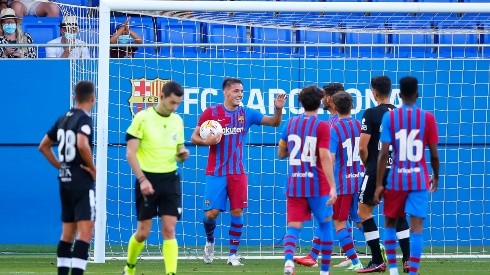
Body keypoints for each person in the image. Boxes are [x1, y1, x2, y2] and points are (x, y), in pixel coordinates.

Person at [190, 77, 287, 266]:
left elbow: (274, 122)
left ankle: (232, 255)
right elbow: (193, 137)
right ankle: (210, 241)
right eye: (236, 91)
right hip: (216, 171)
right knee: (211, 213)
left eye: (242, 91)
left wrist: (278, 108)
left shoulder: (247, 113)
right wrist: (205, 142)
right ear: (226, 92)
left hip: (237, 172)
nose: (240, 94)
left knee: (237, 210)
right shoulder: (211, 112)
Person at [122, 81, 190, 275]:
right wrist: (142, 180)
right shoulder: (142, 118)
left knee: (169, 229)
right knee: (143, 233)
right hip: (147, 179)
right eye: (172, 102)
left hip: (170, 179)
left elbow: (178, 150)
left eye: (178, 104)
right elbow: (130, 153)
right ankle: (130, 267)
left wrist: (182, 154)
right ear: (161, 96)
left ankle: (171, 273)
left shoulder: (178, 120)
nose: (174, 107)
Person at [374, 76, 439, 275]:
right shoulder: (427, 118)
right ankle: (412, 272)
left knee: (390, 222)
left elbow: (384, 153)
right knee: (416, 226)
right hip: (419, 179)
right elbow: (434, 154)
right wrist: (436, 176)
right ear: (417, 95)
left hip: (396, 179)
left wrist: (378, 184)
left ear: (399, 95)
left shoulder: (390, 117)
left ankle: (393, 270)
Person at [295, 82, 356, 268]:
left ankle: (357, 257)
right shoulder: (340, 121)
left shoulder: (336, 124)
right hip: (350, 177)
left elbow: (330, 154)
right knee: (354, 218)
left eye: (324, 96)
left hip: (339, 179)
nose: (322, 100)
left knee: (333, 218)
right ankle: (316, 255)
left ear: (329, 99)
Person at [38, 81, 96, 275]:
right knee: (86, 233)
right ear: (92, 99)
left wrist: (61, 166)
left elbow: (43, 146)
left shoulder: (63, 118)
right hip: (81, 180)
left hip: (64, 180)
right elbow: (81, 144)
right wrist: (92, 168)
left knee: (67, 234)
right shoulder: (84, 119)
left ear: (74, 96)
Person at [278, 85, 337, 275]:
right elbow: (325, 156)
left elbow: (281, 153)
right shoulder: (322, 126)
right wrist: (333, 186)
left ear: (301, 103)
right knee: (325, 224)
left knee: (294, 227)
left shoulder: (290, 123)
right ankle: (324, 271)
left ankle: (288, 262)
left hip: (295, 184)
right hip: (317, 184)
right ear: (320, 103)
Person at [357, 76, 410, 273]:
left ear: (374, 92)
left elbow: (362, 147)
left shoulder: (370, 113)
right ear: (391, 91)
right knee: (399, 213)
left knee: (363, 211)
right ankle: (407, 259)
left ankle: (377, 260)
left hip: (376, 170)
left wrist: (368, 164)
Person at [329, 91, 364, 271]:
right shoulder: (359, 124)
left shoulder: (334, 129)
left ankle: (356, 261)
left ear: (334, 107)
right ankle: (378, 246)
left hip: (342, 183)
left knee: (339, 222)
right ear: (351, 106)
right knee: (359, 219)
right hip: (359, 179)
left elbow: (331, 157)